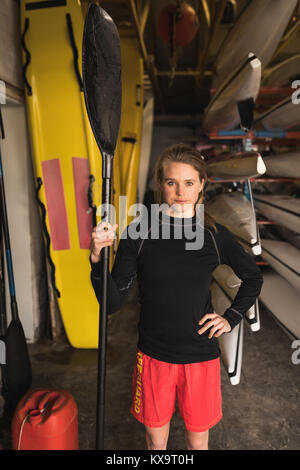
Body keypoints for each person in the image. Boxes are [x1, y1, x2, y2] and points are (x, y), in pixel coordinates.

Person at [89, 143, 263, 450]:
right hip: (154, 357)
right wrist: (97, 257)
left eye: (188, 183)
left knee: (198, 444)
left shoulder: (213, 235)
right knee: (157, 445)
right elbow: (112, 303)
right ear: (160, 184)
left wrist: (231, 317)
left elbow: (252, 277)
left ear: (201, 186)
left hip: (201, 358)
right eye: (171, 182)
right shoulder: (138, 234)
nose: (180, 192)